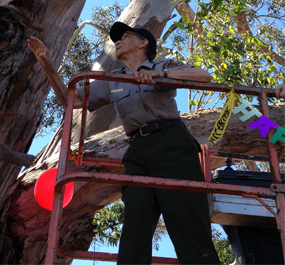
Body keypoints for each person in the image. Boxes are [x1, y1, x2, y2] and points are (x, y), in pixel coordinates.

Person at [28, 22, 220, 264]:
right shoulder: (112, 79)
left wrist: (160, 76)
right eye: (116, 38)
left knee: (187, 222)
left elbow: (203, 75)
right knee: (135, 226)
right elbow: (74, 101)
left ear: (143, 43)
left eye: (126, 36)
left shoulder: (163, 64)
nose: (117, 41)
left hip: (172, 143)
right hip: (137, 151)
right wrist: (47, 64)